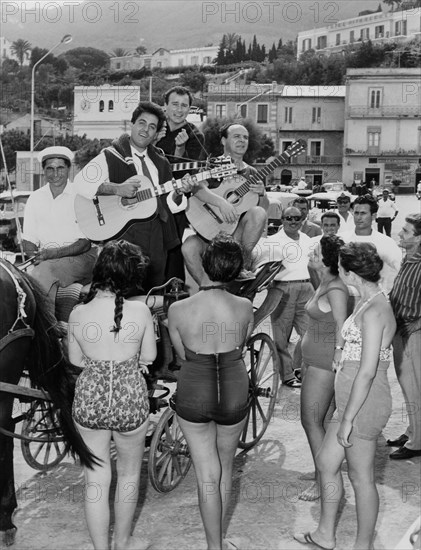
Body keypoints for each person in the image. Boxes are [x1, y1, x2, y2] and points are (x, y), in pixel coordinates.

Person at [295, 242, 396, 550]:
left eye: (340, 266)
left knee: (360, 476)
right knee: (327, 463)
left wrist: (348, 418)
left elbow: (367, 372)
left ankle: (362, 545)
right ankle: (326, 534)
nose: (337, 270)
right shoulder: (365, 300)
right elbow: (352, 343)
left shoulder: (377, 308)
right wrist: (341, 352)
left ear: (351, 273)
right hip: (351, 398)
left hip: (363, 403)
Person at [68, 240, 156, 550]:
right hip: (129, 398)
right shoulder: (141, 311)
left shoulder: (78, 313)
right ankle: (123, 542)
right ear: (131, 276)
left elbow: (76, 361)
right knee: (130, 476)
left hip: (90, 400)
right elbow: (148, 357)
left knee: (95, 480)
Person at [167, 234, 254, 550]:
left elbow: (181, 355)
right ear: (235, 270)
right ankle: (220, 539)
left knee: (207, 474)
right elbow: (240, 345)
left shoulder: (178, 309)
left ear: (204, 265)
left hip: (195, 388)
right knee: (226, 466)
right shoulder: (245, 306)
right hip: (233, 386)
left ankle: (213, 546)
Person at [74, 101, 193, 292]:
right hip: (122, 239)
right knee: (119, 291)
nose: (145, 130)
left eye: (152, 127)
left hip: (155, 237)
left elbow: (170, 204)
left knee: (153, 292)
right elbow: (80, 182)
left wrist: (179, 192)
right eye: (142, 123)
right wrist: (117, 189)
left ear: (156, 134)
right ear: (132, 124)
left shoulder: (161, 163)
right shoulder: (111, 155)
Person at [182, 122, 268, 285]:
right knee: (188, 246)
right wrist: (222, 203)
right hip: (207, 234)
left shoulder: (253, 173)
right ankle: (206, 287)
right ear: (223, 141)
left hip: (234, 236)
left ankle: (240, 264)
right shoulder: (212, 165)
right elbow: (197, 189)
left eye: (245, 137)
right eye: (236, 136)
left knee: (258, 213)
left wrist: (262, 193)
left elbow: (262, 212)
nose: (242, 140)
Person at [299, 236, 349, 501]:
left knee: (311, 421)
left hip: (323, 364)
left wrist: (338, 359)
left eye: (316, 251)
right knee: (321, 423)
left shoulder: (336, 289)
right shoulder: (325, 282)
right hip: (313, 360)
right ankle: (323, 469)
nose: (311, 253)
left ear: (327, 259)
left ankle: (323, 481)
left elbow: (343, 326)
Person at [23, 146, 97, 305]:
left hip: (81, 257)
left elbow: (84, 244)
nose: (55, 174)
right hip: (47, 260)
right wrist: (33, 256)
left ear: (69, 169)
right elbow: (28, 240)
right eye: (50, 169)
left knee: (44, 272)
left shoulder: (81, 196)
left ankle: (47, 327)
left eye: (60, 168)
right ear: (43, 171)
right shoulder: (35, 198)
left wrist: (51, 255)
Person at [254, 206, 313, 387]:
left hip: (306, 287)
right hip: (282, 289)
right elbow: (259, 266)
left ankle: (299, 368)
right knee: (281, 336)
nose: (293, 222)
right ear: (282, 220)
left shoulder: (307, 239)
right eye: (289, 218)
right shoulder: (272, 241)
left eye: (297, 218)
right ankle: (286, 376)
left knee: (310, 333)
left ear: (302, 219)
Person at [156, 86, 207, 281]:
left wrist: (179, 150)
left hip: (174, 203)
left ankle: (171, 297)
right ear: (165, 106)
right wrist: (151, 142)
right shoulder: (154, 129)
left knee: (171, 249)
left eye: (184, 105)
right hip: (145, 197)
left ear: (189, 109)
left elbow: (186, 176)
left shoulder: (195, 136)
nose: (179, 110)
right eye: (174, 104)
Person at [388, 213, 421, 459]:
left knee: (416, 389)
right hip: (401, 329)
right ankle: (413, 431)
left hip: (414, 332)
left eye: (407, 232)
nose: (400, 234)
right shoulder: (408, 258)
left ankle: (417, 443)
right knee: (408, 387)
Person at [341, 194, 402, 292]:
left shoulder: (386, 242)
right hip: (344, 298)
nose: (358, 217)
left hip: (374, 299)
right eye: (356, 213)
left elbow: (400, 270)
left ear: (373, 216)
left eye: (363, 213)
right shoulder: (342, 239)